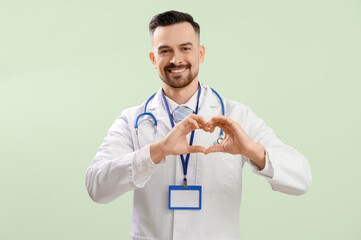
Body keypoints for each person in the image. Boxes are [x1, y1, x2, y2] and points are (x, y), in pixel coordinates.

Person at [85, 10, 312, 240]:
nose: (176, 60)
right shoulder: (132, 120)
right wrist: (157, 151)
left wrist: (251, 150)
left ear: (200, 53)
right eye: (165, 51)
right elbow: (96, 186)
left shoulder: (237, 116)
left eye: (185, 48)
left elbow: (302, 179)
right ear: (154, 59)